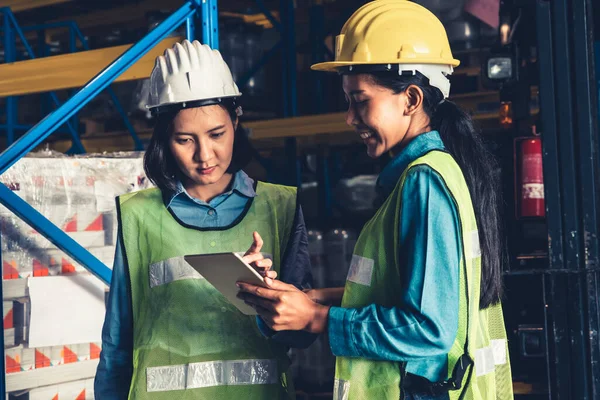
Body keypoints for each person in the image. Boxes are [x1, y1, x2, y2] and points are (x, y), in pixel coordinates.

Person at [237, 1, 514, 399]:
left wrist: (317, 317)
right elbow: (402, 295)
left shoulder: (425, 182)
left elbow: (429, 330)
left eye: (360, 100)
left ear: (411, 99)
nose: (349, 118)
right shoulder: (429, 175)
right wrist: (308, 299)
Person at [94, 39, 314, 399]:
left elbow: (303, 334)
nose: (205, 155)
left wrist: (268, 297)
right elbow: (117, 341)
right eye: (185, 140)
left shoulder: (281, 207)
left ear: (237, 120)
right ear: (165, 137)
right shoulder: (138, 215)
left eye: (217, 135)